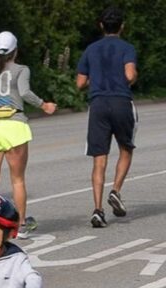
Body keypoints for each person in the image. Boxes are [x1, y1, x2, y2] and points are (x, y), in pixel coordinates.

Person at [0, 31, 57, 239]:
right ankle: (20, 226)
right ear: (15, 50)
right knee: (17, 179)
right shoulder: (21, 69)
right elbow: (25, 92)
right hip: (14, 126)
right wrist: (43, 105)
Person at [76, 7, 138, 228]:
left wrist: (96, 80)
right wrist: (127, 78)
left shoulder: (90, 50)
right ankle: (116, 190)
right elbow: (130, 75)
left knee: (99, 159)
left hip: (98, 104)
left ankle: (98, 210)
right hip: (121, 102)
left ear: (101, 25)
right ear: (122, 26)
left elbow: (80, 83)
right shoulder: (127, 48)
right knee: (125, 148)